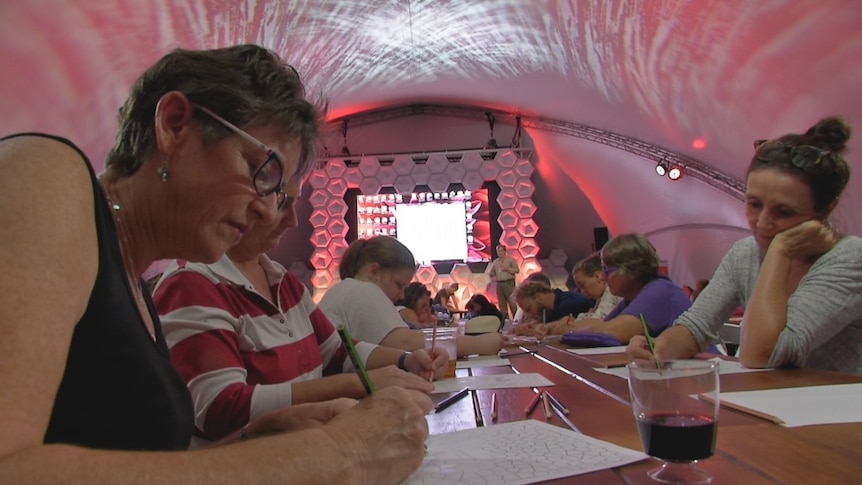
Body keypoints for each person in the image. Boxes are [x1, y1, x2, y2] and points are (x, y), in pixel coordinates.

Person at [0, 45, 430, 485]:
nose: (268, 211)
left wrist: (256, 440)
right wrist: (338, 453)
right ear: (174, 126)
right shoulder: (48, 176)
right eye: (262, 170)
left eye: (278, 193)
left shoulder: (137, 292)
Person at [153, 177, 446, 444]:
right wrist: (361, 384)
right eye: (282, 202)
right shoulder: (192, 283)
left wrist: (406, 362)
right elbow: (221, 410)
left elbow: (337, 353)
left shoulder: (283, 280)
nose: (293, 220)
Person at [628, 116, 862, 374]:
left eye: (783, 212)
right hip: (783, 407)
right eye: (753, 204)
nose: (762, 223)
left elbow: (764, 354)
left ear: (827, 209)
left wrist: (781, 249)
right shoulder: (745, 253)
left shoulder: (850, 258)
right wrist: (658, 348)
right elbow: (695, 327)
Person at [319, 236, 505, 357]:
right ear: (373, 271)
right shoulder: (362, 290)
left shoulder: (345, 290)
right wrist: (480, 343)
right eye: (399, 285)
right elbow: (405, 342)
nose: (401, 295)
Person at [538, 233, 692, 343]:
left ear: (631, 270)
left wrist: (564, 330)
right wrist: (549, 329)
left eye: (607, 271)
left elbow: (615, 332)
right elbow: (603, 324)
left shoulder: (659, 291)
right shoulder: (634, 296)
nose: (603, 277)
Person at [510, 281, 595, 336]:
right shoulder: (550, 309)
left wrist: (533, 330)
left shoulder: (568, 303)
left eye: (529, 309)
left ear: (538, 297)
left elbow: (562, 328)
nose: (530, 314)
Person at [571, 253, 623, 320]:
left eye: (582, 285)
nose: (582, 291)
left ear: (598, 276)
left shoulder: (611, 293)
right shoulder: (602, 296)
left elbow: (597, 321)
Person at [487, 244, 519, 319]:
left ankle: (516, 320)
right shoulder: (495, 262)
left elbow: (517, 270)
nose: (499, 253)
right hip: (499, 284)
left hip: (509, 283)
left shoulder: (510, 260)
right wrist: (494, 278)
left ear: (505, 251)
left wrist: (508, 269)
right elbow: (491, 273)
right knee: (502, 304)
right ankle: (505, 321)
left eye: (501, 251)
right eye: (498, 251)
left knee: (512, 303)